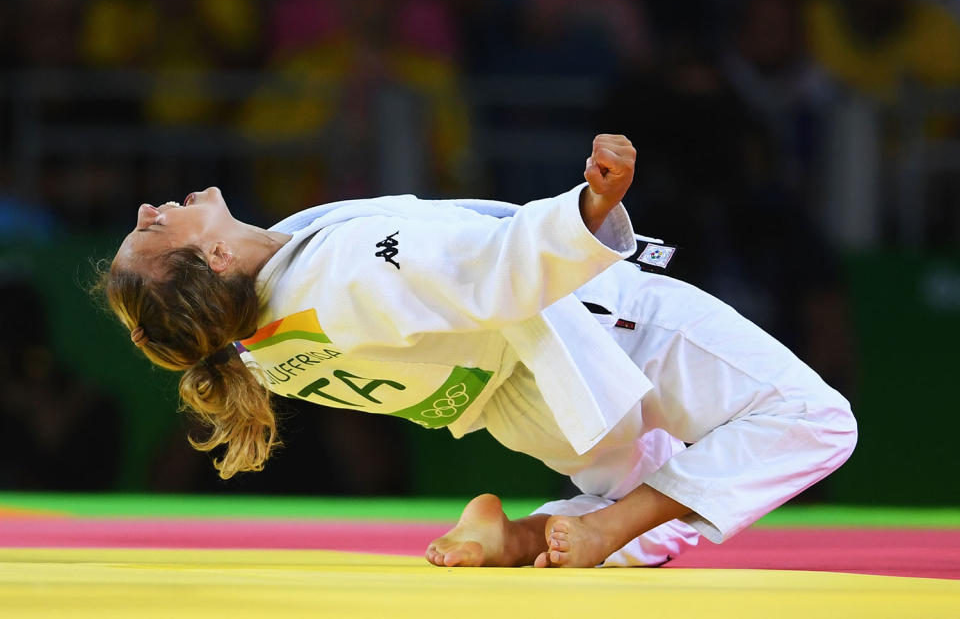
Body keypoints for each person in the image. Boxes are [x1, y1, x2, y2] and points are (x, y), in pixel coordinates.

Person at [98, 134, 857, 568]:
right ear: (216, 263)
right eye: (153, 232)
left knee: (656, 506)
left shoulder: (265, 346)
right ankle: (603, 525)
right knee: (815, 419)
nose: (148, 209)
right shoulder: (344, 273)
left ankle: (522, 535)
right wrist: (588, 209)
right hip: (605, 331)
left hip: (524, 410)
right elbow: (492, 273)